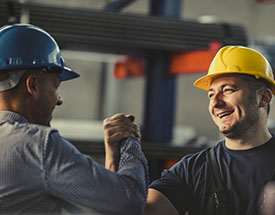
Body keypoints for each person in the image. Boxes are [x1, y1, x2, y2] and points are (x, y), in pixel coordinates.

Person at [0, 23, 148, 215]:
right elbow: (130, 202)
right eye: (56, 87)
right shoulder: (38, 145)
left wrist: (113, 157)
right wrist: (129, 141)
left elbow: (104, 203)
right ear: (33, 84)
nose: (59, 100)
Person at [143, 45, 275, 215]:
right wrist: (118, 158)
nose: (216, 103)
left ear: (264, 98)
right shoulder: (192, 170)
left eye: (228, 90)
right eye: (211, 94)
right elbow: (145, 211)